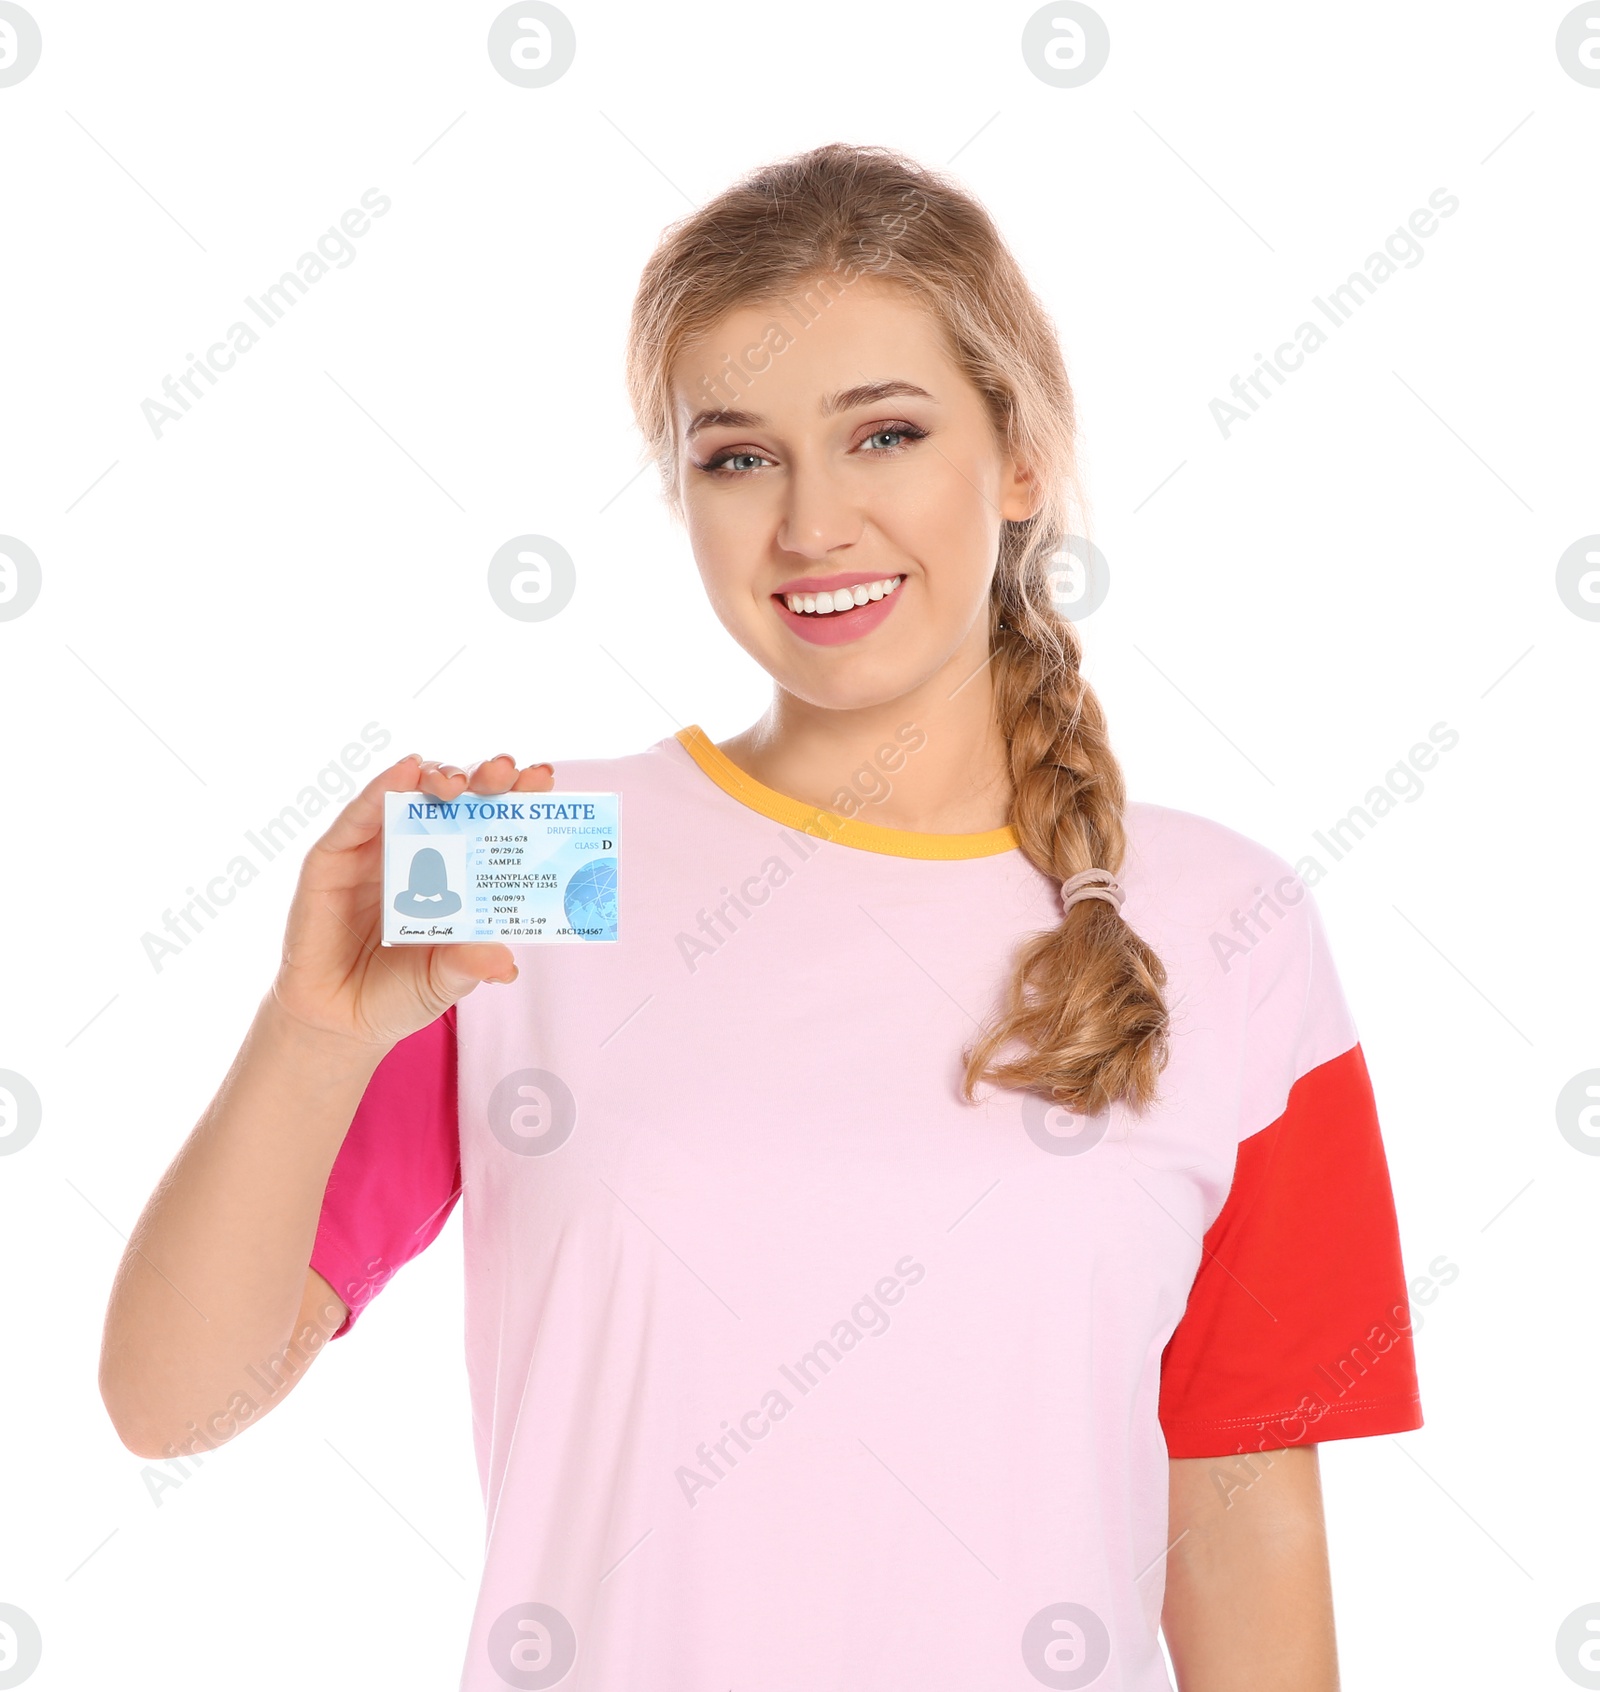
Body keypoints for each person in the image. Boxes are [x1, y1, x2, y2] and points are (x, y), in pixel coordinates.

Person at [100, 142, 1421, 1690]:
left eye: (885, 434)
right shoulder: (529, 861)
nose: (813, 524)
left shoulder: (1228, 920)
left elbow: (1245, 1521)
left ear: (1017, 457)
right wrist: (310, 1036)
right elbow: (166, 1405)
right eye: (738, 457)